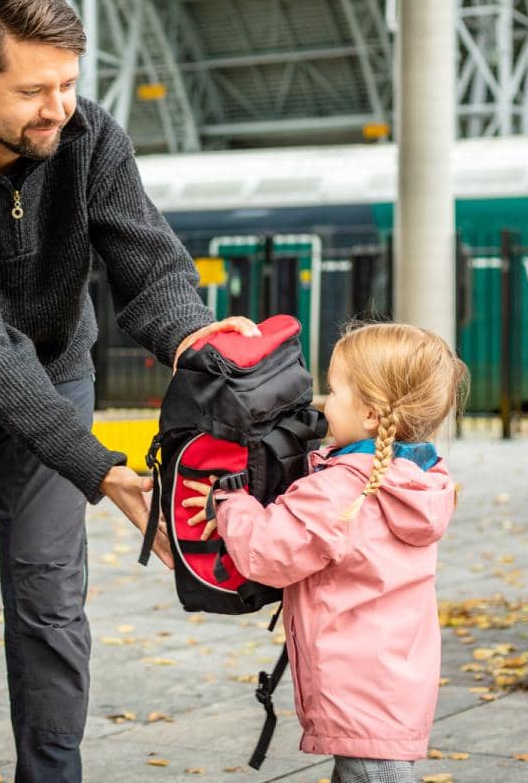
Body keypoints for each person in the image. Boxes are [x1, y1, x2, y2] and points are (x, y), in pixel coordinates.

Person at [0, 0, 250, 783]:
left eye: (69, 82)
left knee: (47, 602)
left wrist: (200, 340)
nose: (58, 107)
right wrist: (99, 467)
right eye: (34, 89)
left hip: (56, 372)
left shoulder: (93, 139)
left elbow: (148, 267)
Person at [185, 322, 467, 783]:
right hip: (394, 684)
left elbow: (267, 552)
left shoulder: (340, 489)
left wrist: (232, 502)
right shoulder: (421, 478)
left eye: (334, 392)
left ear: (373, 415)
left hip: (355, 691)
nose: (323, 404)